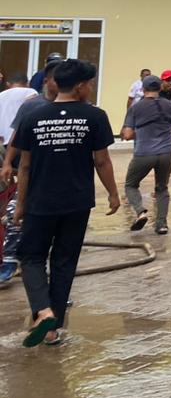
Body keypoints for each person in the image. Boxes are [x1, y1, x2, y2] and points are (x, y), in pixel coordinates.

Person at [12, 58, 120, 347]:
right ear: (82, 86)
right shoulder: (95, 116)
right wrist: (113, 193)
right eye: (91, 84)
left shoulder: (33, 117)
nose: (92, 88)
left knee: (31, 257)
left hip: (39, 201)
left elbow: (24, 167)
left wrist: (20, 205)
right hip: (77, 202)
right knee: (64, 260)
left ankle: (43, 311)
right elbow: (102, 161)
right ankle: (51, 329)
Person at [122, 75, 171, 235]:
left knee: (131, 184)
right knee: (162, 188)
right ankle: (162, 225)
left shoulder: (135, 108)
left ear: (143, 89)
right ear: (160, 88)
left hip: (144, 153)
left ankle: (141, 212)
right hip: (166, 152)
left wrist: (141, 132)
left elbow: (127, 135)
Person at [0, 74, 38, 285]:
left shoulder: (1, 95)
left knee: (10, 196)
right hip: (21, 148)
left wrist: (6, 161)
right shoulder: (31, 96)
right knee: (17, 199)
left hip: (5, 147)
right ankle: (12, 257)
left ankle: (9, 258)